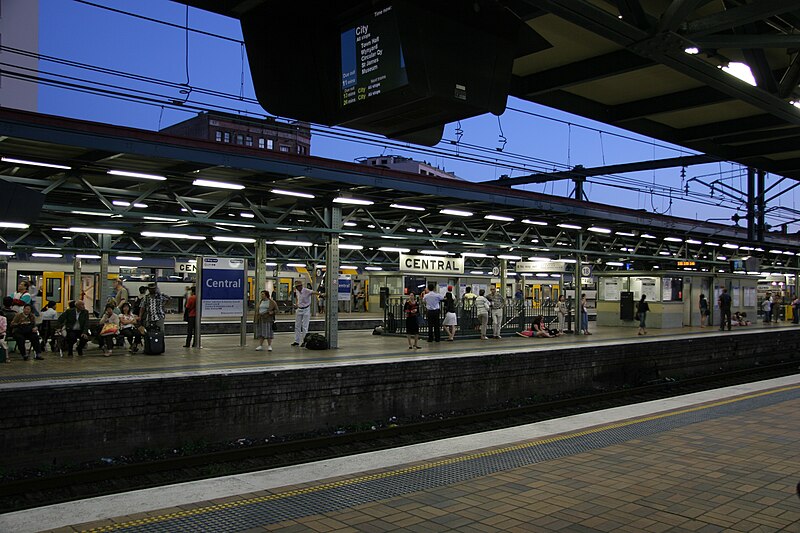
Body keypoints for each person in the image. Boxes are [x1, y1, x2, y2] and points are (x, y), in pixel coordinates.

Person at [291, 279, 315, 346]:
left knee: (305, 326)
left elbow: (313, 292)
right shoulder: (297, 291)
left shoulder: (306, 291)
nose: (296, 288)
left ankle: (305, 341)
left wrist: (321, 294)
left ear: (300, 286)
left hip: (306, 309)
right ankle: (296, 341)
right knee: (297, 326)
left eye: (297, 287)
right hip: (299, 309)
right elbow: (298, 298)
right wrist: (297, 304)